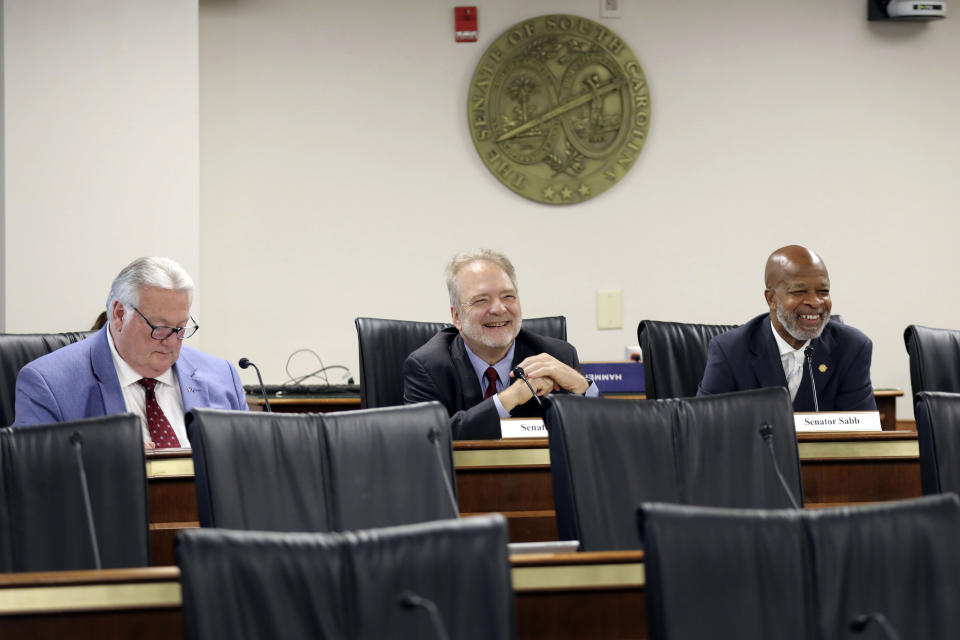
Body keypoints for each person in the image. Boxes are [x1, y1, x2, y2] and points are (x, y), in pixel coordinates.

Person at [13, 257, 248, 447]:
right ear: (119, 314)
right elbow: (31, 481)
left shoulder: (222, 377)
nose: (171, 341)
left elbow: (249, 466)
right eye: (160, 327)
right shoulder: (50, 384)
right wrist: (108, 462)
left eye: (180, 328)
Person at [403, 249, 599, 439]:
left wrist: (582, 388)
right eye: (481, 300)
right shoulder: (429, 367)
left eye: (508, 297)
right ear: (457, 317)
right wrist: (508, 398)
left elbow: (599, 436)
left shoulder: (557, 355)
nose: (498, 308)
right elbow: (425, 439)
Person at [697, 245, 875, 412]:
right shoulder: (731, 350)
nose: (815, 302)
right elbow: (706, 426)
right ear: (771, 299)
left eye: (823, 291)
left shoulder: (852, 348)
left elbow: (862, 432)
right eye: (799, 292)